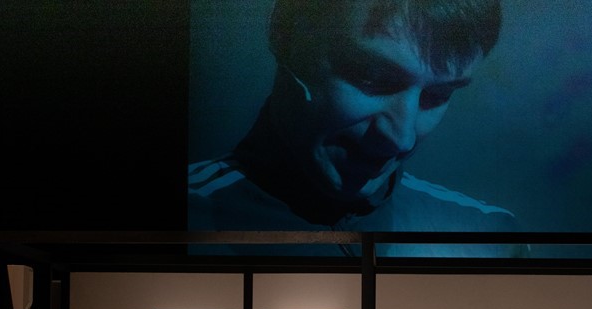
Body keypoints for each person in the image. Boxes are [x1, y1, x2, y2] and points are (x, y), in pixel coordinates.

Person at [188, 0, 528, 258]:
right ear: (286, 37)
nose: (402, 139)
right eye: (373, 77)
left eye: (439, 95)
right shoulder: (186, 219)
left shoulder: (490, 239)